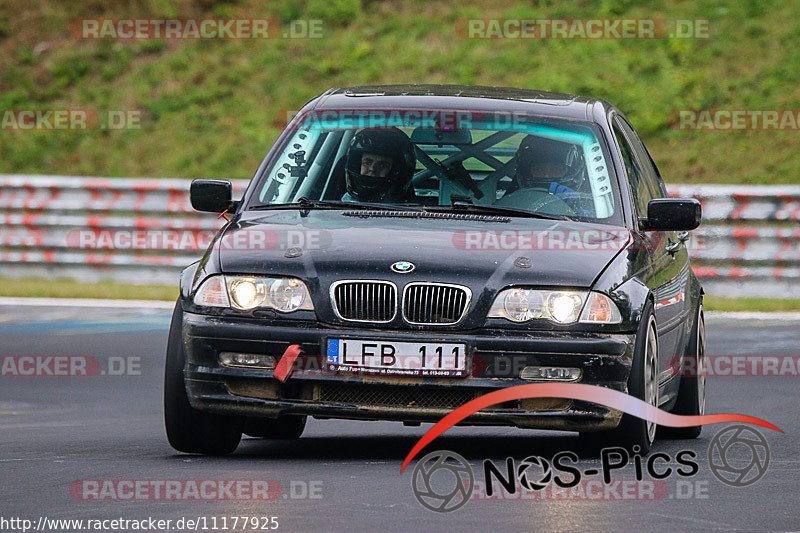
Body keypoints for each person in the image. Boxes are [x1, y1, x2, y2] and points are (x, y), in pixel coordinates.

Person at [508, 134, 590, 214]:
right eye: (539, 169)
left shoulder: (596, 204)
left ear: (572, 171)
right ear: (527, 172)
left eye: (557, 170)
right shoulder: (509, 204)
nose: (547, 175)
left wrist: (577, 210)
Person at [342, 127, 417, 203]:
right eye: (367, 163)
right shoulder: (342, 204)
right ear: (357, 165)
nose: (372, 169)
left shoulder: (411, 211)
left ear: (396, 171)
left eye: (382, 165)